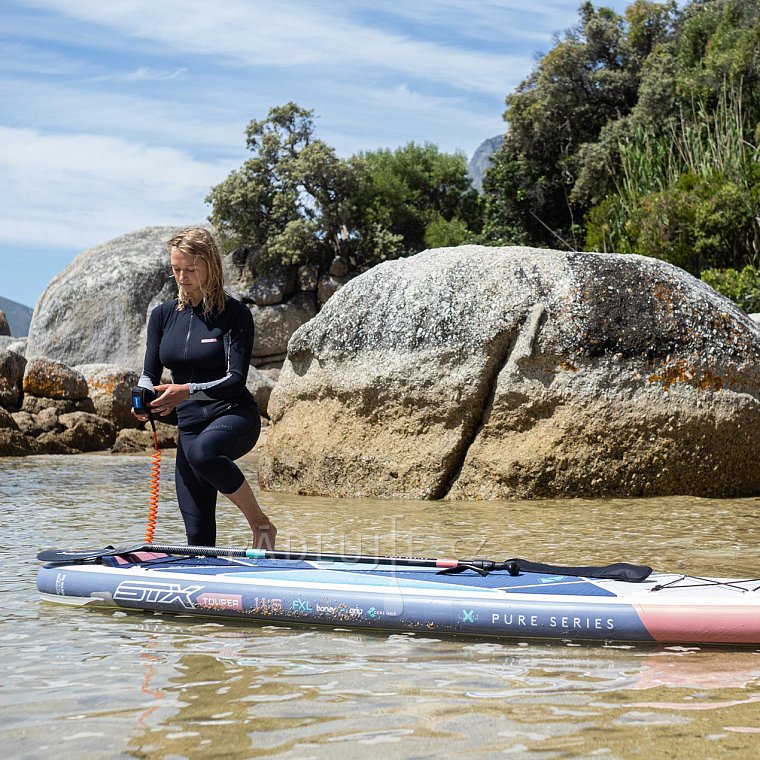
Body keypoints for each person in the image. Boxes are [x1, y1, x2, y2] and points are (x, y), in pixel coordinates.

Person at [132, 227, 276, 550]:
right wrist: (143, 397)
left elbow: (236, 379)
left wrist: (187, 390)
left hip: (234, 415)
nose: (181, 277)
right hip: (191, 427)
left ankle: (261, 525)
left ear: (209, 264)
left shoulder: (235, 315)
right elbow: (148, 374)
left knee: (203, 452)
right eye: (176, 269)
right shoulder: (163, 316)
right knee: (198, 540)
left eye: (190, 269)